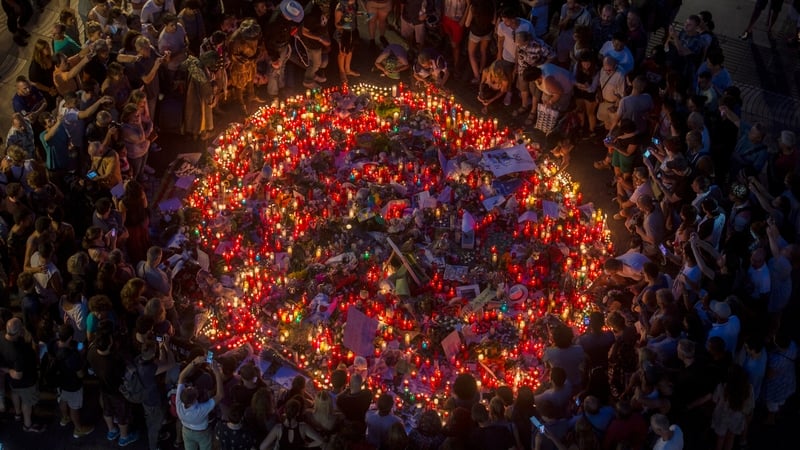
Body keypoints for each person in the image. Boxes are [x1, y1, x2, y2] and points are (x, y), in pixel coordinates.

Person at [0, 317, 44, 432]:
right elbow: (18, 375)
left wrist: (5, 370)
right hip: (25, 382)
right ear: (19, 331)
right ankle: (27, 425)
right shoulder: (19, 352)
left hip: (11, 382)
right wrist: (9, 370)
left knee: (15, 393)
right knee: (27, 402)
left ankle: (17, 414)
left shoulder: (1, 336)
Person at [177, 354, 225, 450]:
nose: (193, 387)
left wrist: (194, 362)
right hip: (201, 433)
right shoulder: (200, 410)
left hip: (186, 431)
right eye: (192, 389)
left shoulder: (179, 402)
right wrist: (217, 373)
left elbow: (181, 376)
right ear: (195, 398)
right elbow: (220, 395)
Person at [260, 398, 324, 450]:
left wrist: (275, 447)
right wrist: (308, 445)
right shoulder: (304, 427)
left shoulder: (278, 428)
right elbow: (320, 441)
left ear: (285, 411)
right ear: (298, 413)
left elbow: (262, 447)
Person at [334, 0, 359, 84]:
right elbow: (337, 24)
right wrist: (346, 26)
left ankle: (347, 69)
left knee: (350, 51)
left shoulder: (354, 4)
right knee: (342, 53)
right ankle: (342, 72)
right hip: (343, 34)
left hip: (352, 32)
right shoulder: (340, 7)